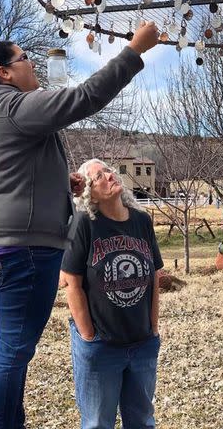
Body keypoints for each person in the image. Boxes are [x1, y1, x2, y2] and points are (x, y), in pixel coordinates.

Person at [0, 21, 159, 429]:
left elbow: (6, 174)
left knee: (13, 348)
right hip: (22, 246)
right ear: (3, 73)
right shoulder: (10, 105)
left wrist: (62, 185)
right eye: (25, 59)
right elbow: (84, 98)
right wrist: (134, 51)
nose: (33, 65)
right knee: (12, 352)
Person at [61, 158, 163, 429]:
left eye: (108, 170)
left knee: (142, 421)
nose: (108, 176)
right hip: (101, 347)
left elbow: (153, 274)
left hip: (142, 344)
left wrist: (153, 329)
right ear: (88, 193)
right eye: (97, 177)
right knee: (97, 424)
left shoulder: (142, 221)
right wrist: (89, 337)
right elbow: (72, 283)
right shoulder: (83, 224)